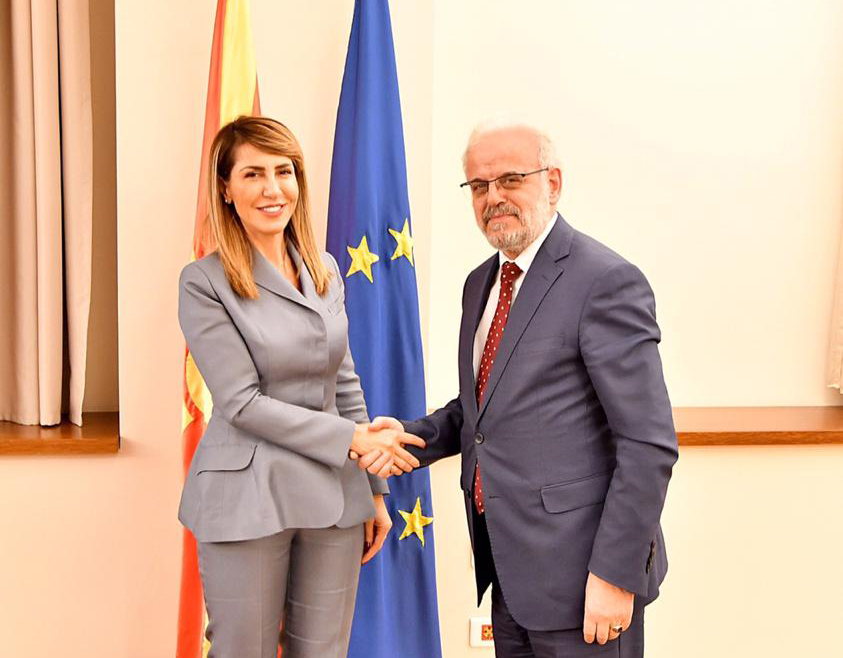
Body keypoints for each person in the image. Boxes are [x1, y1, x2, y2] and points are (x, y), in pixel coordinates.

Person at [365, 119, 678, 658]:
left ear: (552, 182)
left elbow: (647, 443)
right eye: (479, 186)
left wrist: (615, 575)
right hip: (509, 574)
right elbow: (483, 412)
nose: (494, 198)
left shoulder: (604, 281)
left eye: (510, 180)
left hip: (586, 580)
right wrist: (410, 439)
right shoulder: (481, 282)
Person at [177, 115, 424, 658]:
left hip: (334, 496)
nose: (272, 189)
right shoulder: (204, 282)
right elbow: (241, 402)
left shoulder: (325, 270)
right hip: (247, 497)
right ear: (226, 187)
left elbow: (345, 380)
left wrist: (375, 492)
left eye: (283, 171)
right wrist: (353, 442)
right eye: (253, 174)